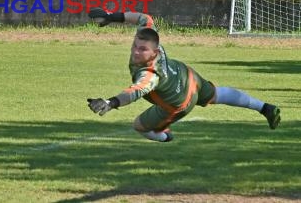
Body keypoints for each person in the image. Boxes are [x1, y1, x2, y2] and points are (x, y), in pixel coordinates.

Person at [86, 8, 282, 142]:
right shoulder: (152, 40)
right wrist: (112, 17)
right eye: (135, 46)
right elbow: (145, 19)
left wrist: (111, 102)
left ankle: (165, 136)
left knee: (139, 126)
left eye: (142, 50)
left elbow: (134, 91)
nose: (136, 52)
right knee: (217, 94)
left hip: (179, 102)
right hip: (187, 75)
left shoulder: (150, 74)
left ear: (154, 53)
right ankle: (265, 108)